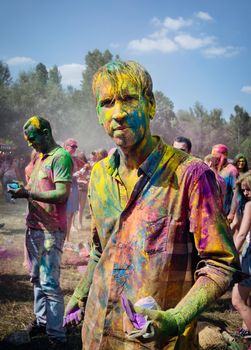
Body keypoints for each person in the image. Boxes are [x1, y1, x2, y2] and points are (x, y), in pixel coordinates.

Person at [64, 60, 240, 350]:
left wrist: (175, 319)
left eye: (129, 99)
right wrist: (80, 295)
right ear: (98, 114)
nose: (118, 113)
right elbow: (100, 249)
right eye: (107, 103)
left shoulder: (190, 175)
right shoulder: (99, 175)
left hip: (154, 340)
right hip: (97, 333)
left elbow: (221, 265)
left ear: (151, 105)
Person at [8, 115, 73, 350]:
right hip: (33, 228)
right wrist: (22, 190)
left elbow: (62, 194)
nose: (32, 145)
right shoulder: (40, 159)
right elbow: (34, 189)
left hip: (50, 231)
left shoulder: (61, 157)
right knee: (36, 279)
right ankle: (42, 321)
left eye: (34, 139)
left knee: (50, 285)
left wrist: (29, 195)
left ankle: (57, 337)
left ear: (46, 132)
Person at [231, 173, 251, 339]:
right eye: (244, 190)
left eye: (249, 189)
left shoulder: (250, 205)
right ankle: (246, 328)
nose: (246, 193)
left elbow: (242, 233)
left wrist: (230, 256)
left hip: (250, 256)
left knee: (237, 301)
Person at [63, 138, 85, 244]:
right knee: (64, 214)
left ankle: (67, 239)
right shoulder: (62, 157)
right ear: (66, 146)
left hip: (74, 187)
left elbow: (86, 165)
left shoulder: (74, 159)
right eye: (73, 146)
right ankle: (63, 239)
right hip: (66, 188)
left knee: (71, 214)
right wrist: (74, 175)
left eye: (76, 146)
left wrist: (82, 171)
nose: (75, 148)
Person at [211, 144, 238, 215]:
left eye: (216, 157)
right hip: (212, 212)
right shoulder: (212, 169)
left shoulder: (231, 170)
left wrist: (232, 213)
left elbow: (236, 192)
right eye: (213, 157)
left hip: (225, 212)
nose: (214, 159)